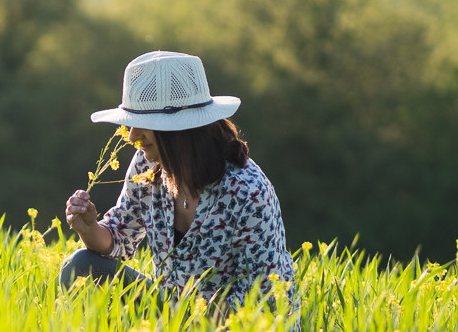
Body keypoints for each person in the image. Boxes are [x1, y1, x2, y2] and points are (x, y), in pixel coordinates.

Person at [62, 50, 297, 316]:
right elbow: (120, 238)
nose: (131, 136)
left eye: (142, 124)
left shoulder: (247, 191)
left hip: (233, 328)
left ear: (178, 130)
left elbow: (264, 300)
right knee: (80, 266)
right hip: (171, 313)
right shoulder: (146, 165)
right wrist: (89, 228)